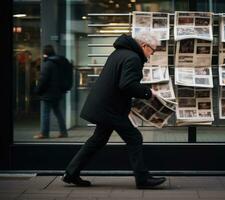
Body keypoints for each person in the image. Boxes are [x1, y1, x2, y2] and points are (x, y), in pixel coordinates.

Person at [61, 32, 166, 189]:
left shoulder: (120, 53)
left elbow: (119, 83)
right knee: (134, 138)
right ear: (144, 46)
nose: (152, 54)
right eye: (153, 50)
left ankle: (71, 173)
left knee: (98, 140)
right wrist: (148, 93)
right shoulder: (133, 58)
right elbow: (127, 84)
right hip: (111, 108)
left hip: (106, 106)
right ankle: (143, 179)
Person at [34, 45, 68, 139]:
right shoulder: (58, 63)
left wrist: (37, 90)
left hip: (48, 93)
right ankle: (64, 132)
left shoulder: (48, 64)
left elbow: (43, 79)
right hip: (57, 93)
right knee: (58, 113)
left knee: (45, 114)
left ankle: (44, 133)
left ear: (45, 54)